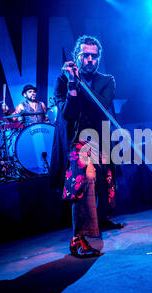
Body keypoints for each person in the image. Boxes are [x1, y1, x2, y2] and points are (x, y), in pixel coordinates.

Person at [50, 35, 123, 258]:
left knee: (105, 179)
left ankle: (101, 218)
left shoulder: (107, 80)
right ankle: (78, 238)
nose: (90, 59)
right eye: (85, 55)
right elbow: (68, 115)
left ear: (99, 58)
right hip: (76, 140)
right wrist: (73, 82)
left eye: (94, 55)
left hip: (100, 138)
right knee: (86, 177)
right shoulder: (63, 80)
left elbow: (101, 107)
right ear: (77, 56)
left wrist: (79, 82)